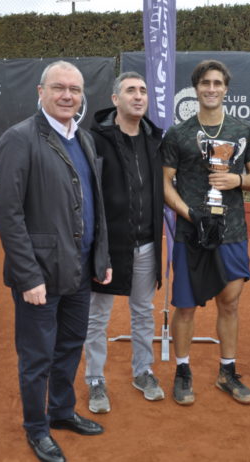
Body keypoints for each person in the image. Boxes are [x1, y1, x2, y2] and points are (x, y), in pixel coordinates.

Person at [0, 60, 112, 462]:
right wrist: (28, 277)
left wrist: (102, 256)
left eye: (75, 90)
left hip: (78, 272)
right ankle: (36, 427)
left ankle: (61, 412)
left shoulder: (84, 138)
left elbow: (95, 204)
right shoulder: (19, 139)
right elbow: (9, 216)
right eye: (59, 88)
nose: (67, 96)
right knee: (37, 357)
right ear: (40, 92)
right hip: (39, 278)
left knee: (69, 348)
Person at [161, 59, 250, 405]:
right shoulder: (178, 133)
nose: (211, 88)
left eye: (218, 83)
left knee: (229, 304)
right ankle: (183, 371)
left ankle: (227, 372)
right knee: (186, 306)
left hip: (231, 231)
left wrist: (237, 180)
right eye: (205, 83)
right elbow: (165, 184)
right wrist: (189, 214)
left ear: (226, 89)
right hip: (191, 234)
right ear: (196, 88)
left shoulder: (243, 130)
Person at [83, 71, 165, 413]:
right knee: (97, 317)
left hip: (146, 244)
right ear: (115, 99)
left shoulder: (155, 139)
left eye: (143, 91)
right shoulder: (93, 139)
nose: (138, 96)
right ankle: (94, 380)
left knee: (143, 312)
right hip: (107, 248)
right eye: (130, 90)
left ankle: (142, 371)